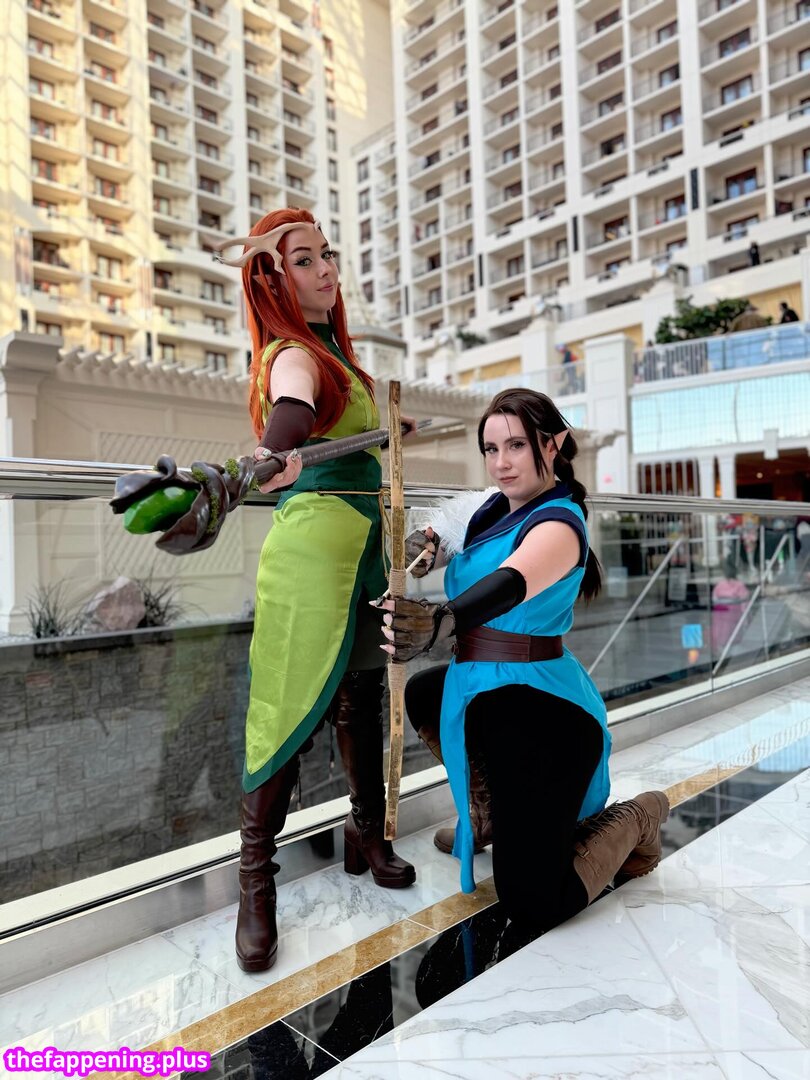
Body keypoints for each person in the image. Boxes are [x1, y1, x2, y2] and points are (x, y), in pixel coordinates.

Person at [375, 389, 669, 934]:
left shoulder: (560, 522)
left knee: (532, 900)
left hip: (542, 708)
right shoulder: (490, 509)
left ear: (553, 444)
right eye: (491, 449)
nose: (501, 462)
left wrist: (443, 619)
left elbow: (512, 581)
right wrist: (427, 545)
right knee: (425, 692)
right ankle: (490, 815)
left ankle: (638, 816)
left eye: (516, 445)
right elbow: (454, 534)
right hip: (484, 688)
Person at [214, 208, 416, 973]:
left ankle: (367, 834)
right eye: (304, 260)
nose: (326, 269)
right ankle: (255, 884)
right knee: (284, 713)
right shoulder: (293, 354)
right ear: (273, 279)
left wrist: (390, 431)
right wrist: (272, 453)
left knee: (363, 696)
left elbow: (333, 424)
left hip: (366, 546)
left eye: (326, 254)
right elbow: (294, 411)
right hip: (312, 551)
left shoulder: (336, 356)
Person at [711, 558, 750, 655]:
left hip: (720, 616)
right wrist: (746, 618)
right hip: (733, 616)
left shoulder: (719, 585)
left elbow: (714, 599)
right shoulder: (739, 585)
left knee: (722, 637)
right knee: (733, 638)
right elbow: (745, 601)